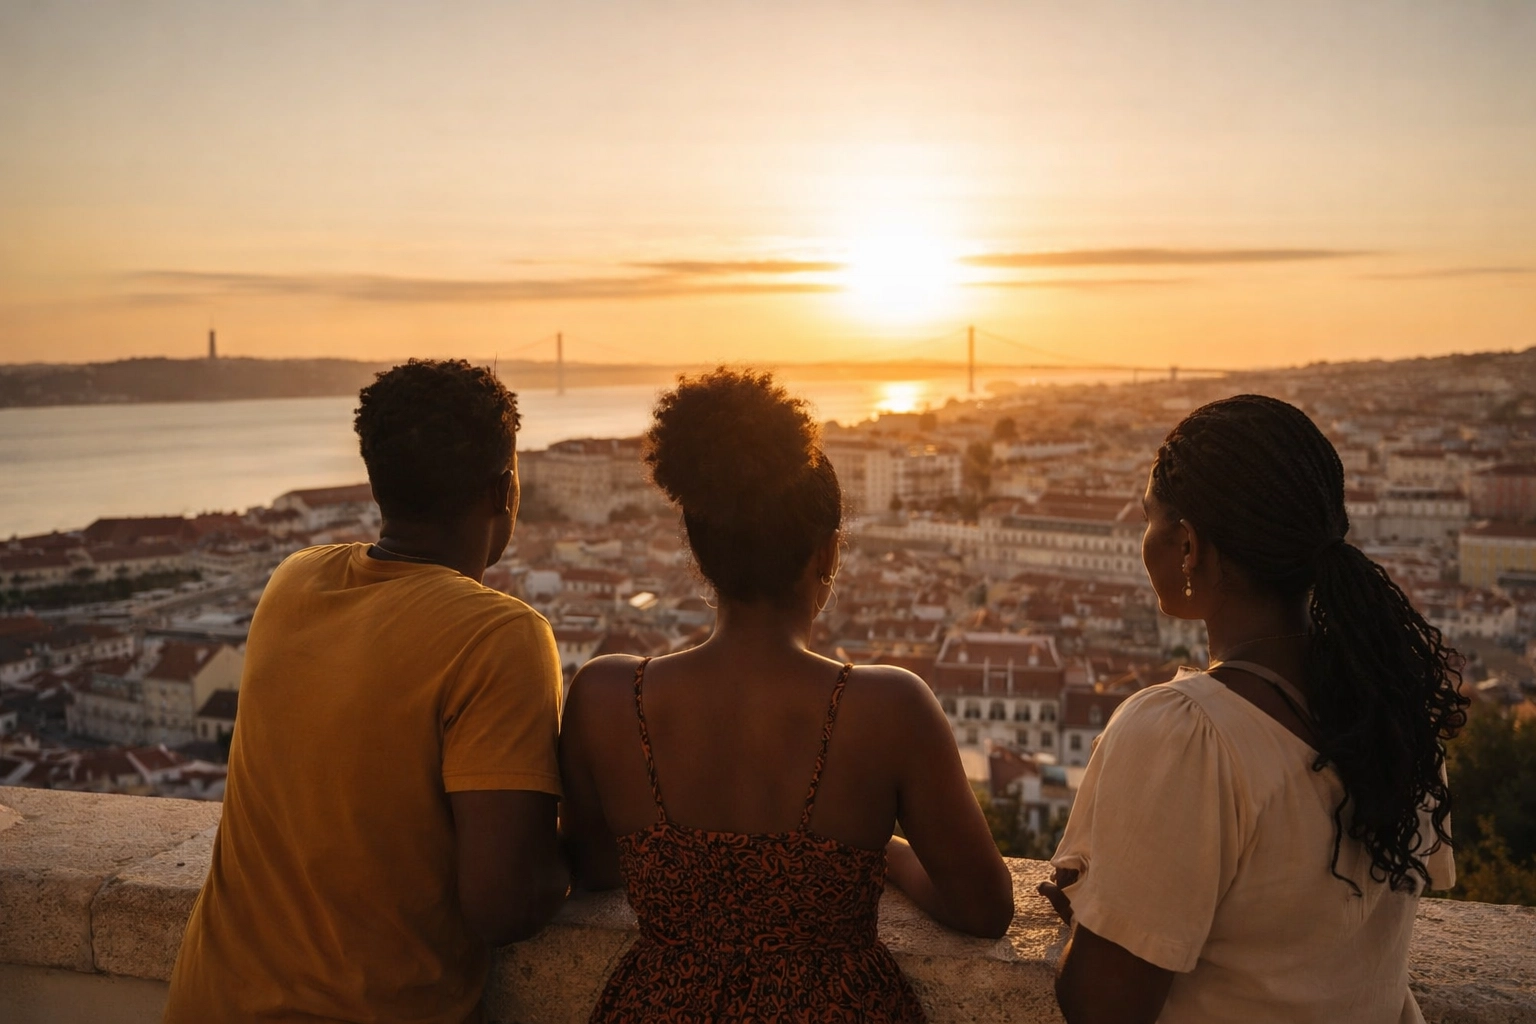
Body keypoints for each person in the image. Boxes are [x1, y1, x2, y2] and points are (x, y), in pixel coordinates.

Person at [560, 369, 1014, 1022]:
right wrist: (874, 854)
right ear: (827, 553)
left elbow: (599, 872)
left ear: (698, 549)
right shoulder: (888, 708)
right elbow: (984, 908)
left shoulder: (605, 696)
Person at [1040, 394, 1467, 1024]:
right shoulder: (1392, 708)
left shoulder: (1186, 736)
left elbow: (1102, 1006)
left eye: (1148, 518)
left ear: (1187, 546)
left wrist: (1094, 917)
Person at [165, 359, 568, 1024]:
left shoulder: (293, 582)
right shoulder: (500, 636)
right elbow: (502, 905)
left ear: (379, 483)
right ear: (504, 491)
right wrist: (581, 849)